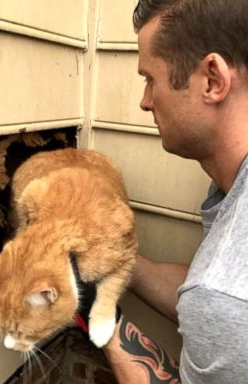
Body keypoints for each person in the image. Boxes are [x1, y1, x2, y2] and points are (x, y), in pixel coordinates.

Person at [101, 1, 248, 383]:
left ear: (213, 80)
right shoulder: (233, 192)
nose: (145, 101)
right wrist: (114, 263)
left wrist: (97, 313)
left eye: (151, 79)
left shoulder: (224, 291)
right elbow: (200, 299)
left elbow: (216, 303)